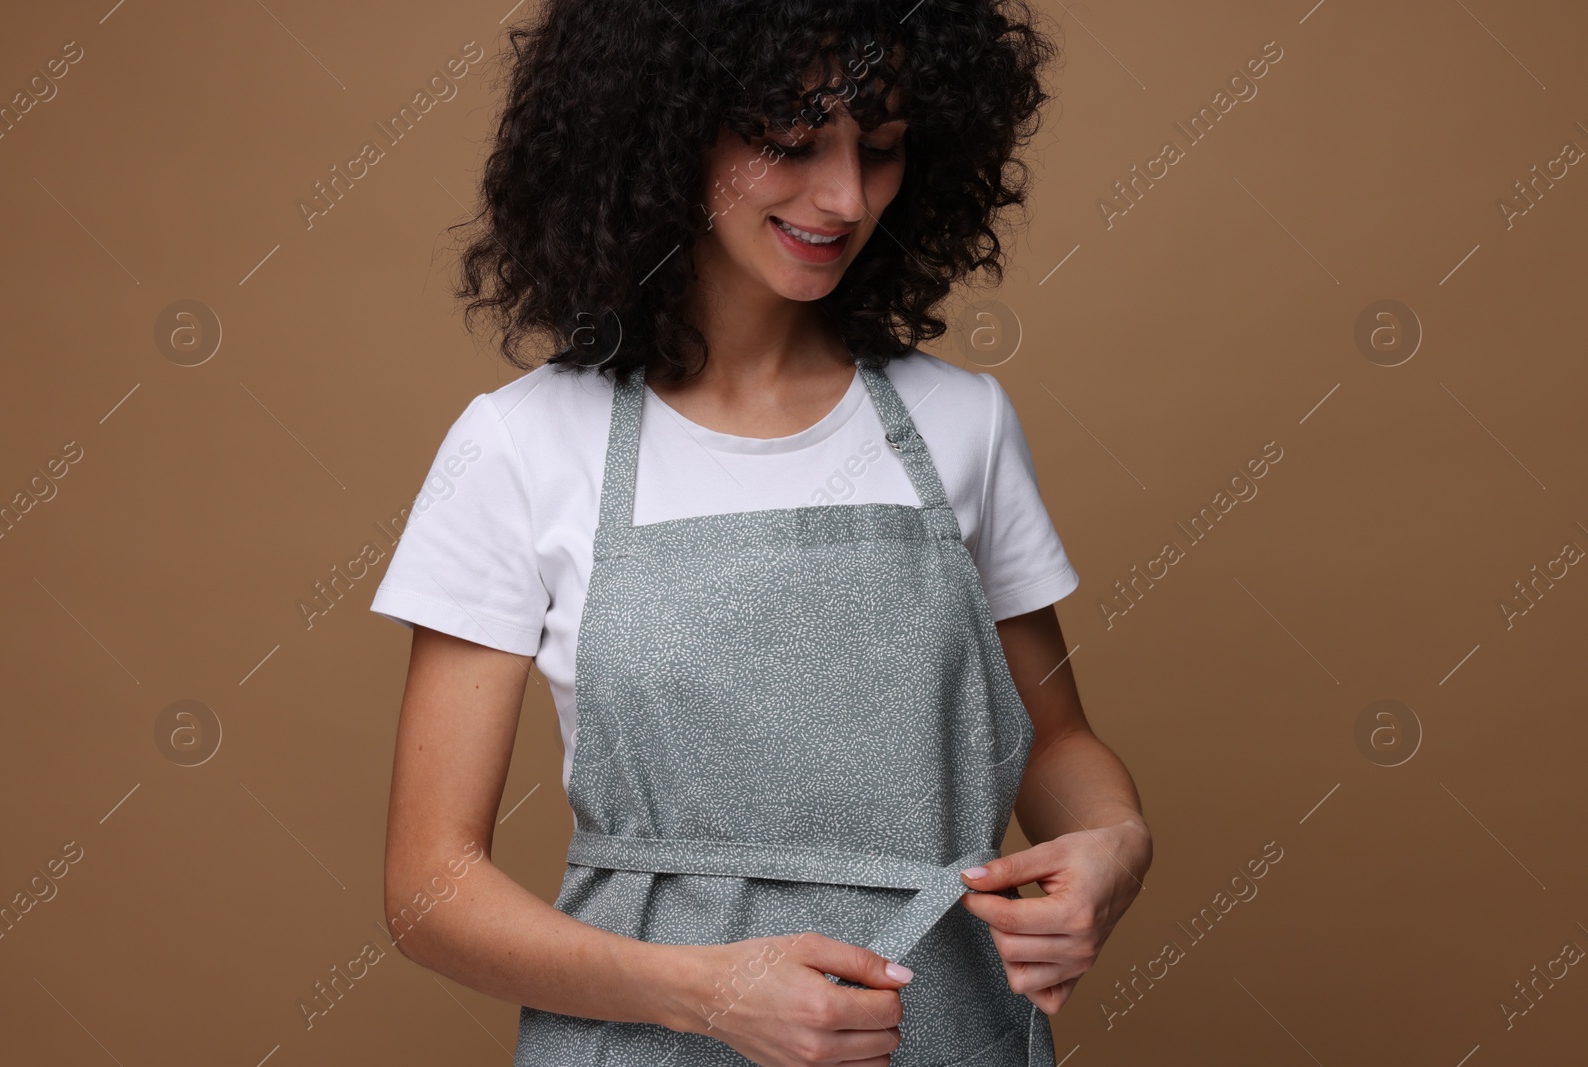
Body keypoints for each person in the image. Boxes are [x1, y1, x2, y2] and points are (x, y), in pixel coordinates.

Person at [370, 2, 1153, 1064]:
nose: (842, 197)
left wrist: (1113, 843)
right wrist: (706, 992)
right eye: (790, 141)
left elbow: (1053, 740)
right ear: (662, 132)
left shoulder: (959, 423)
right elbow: (429, 888)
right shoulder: (519, 445)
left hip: (945, 1032)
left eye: (878, 150)